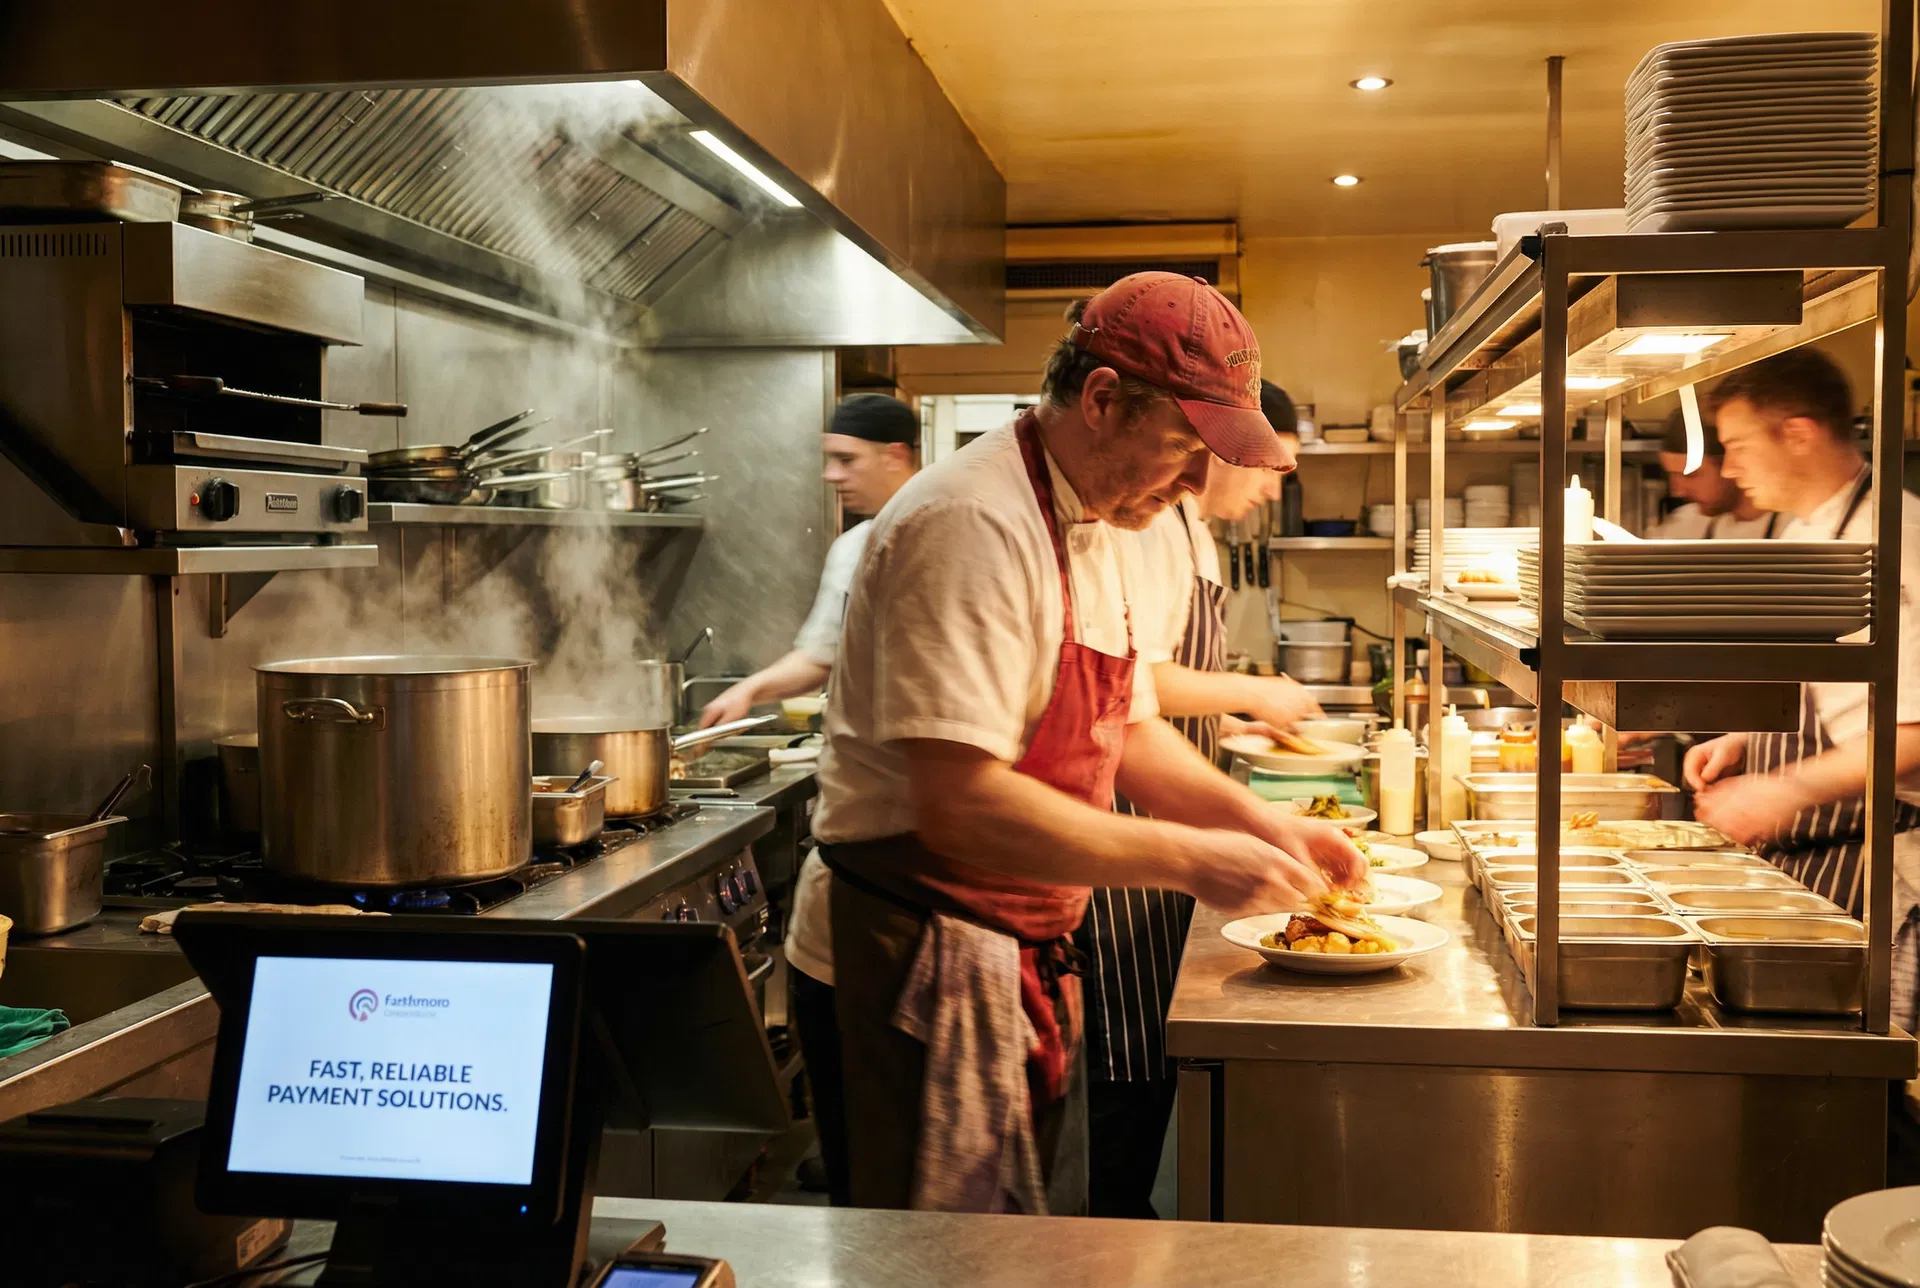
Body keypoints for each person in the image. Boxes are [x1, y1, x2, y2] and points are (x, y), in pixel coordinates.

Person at [812, 272, 1365, 1213]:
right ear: (1102, 399)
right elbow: (960, 804)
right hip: (913, 959)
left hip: (1017, 943)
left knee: (1027, 1248)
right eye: (1184, 447)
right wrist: (1195, 860)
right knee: (933, 1265)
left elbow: (1130, 724)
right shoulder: (972, 522)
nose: (1197, 483)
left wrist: (1263, 825)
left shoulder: (1092, 518)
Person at [1076, 376, 1316, 1219]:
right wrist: (1254, 693)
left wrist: (1233, 754)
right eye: (1269, 469)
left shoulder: (1188, 532)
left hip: (1169, 804)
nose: (1270, 491)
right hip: (1128, 820)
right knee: (1126, 1044)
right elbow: (1137, 689)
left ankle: (1126, 1212)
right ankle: (1113, 1220)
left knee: (1153, 1037)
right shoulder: (1146, 529)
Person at [1682, 349, 1920, 1028]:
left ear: (1798, 433)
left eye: (1736, 446)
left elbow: (1912, 733)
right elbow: (1843, 685)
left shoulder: (1893, 541)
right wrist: (1749, 736)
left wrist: (1783, 789)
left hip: (1883, 865)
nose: (1728, 468)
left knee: (1866, 1071)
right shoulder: (1812, 530)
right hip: (1820, 862)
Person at [697, 393, 921, 729]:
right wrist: (746, 691)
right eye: (830, 460)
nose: (830, 474)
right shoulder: (852, 548)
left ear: (895, 456)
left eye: (846, 459)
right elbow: (820, 657)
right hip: (863, 751)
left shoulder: (948, 533)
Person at [1648, 405, 1779, 540]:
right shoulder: (1683, 527)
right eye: (1672, 475)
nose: (1677, 491)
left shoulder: (1789, 526)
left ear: (1729, 465)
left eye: (1691, 475)